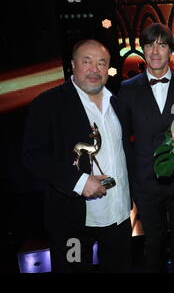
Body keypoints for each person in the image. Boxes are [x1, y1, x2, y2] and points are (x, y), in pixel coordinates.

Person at [22, 39, 132, 272]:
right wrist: (79, 181)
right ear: (73, 65)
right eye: (87, 62)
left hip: (119, 214)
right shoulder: (48, 103)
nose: (95, 69)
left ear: (109, 68)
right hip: (72, 219)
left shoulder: (118, 102)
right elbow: (33, 156)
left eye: (102, 63)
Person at [118, 23, 174, 272]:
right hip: (145, 182)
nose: (155, 51)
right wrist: (129, 180)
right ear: (143, 50)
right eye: (150, 44)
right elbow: (122, 140)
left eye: (162, 44)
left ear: (170, 50)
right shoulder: (126, 90)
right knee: (154, 243)